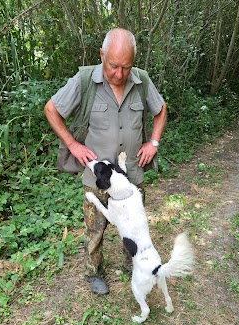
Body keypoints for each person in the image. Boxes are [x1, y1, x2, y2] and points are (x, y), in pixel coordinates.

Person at [44, 28, 167, 295]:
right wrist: (73, 144)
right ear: (102, 55)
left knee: (134, 227)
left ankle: (132, 264)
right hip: (97, 179)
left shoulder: (142, 81)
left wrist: (153, 142)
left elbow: (160, 110)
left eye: (126, 67)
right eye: (113, 66)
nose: (119, 74)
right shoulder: (85, 80)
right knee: (95, 231)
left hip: (131, 176)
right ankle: (94, 273)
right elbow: (51, 110)